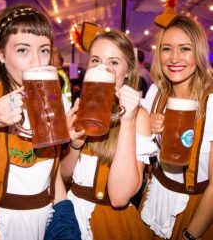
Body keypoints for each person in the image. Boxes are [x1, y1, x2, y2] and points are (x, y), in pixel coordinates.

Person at [0, 4, 79, 240]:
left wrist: (73, 143)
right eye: (23, 50)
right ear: (1, 53)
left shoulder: (57, 104)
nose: (37, 61)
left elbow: (56, 176)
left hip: (40, 224)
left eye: (44, 50)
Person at [61, 30, 157, 239]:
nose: (102, 68)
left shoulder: (138, 116)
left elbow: (119, 198)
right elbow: (64, 175)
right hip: (73, 217)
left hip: (109, 224)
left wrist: (127, 121)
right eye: (95, 61)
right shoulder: (81, 110)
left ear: (129, 71)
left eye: (113, 62)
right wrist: (75, 142)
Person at [140, 15, 213, 239]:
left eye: (184, 49)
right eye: (166, 49)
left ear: (198, 53)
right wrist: (145, 127)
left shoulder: (211, 104)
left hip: (194, 209)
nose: (174, 58)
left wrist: (190, 235)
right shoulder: (155, 93)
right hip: (153, 198)